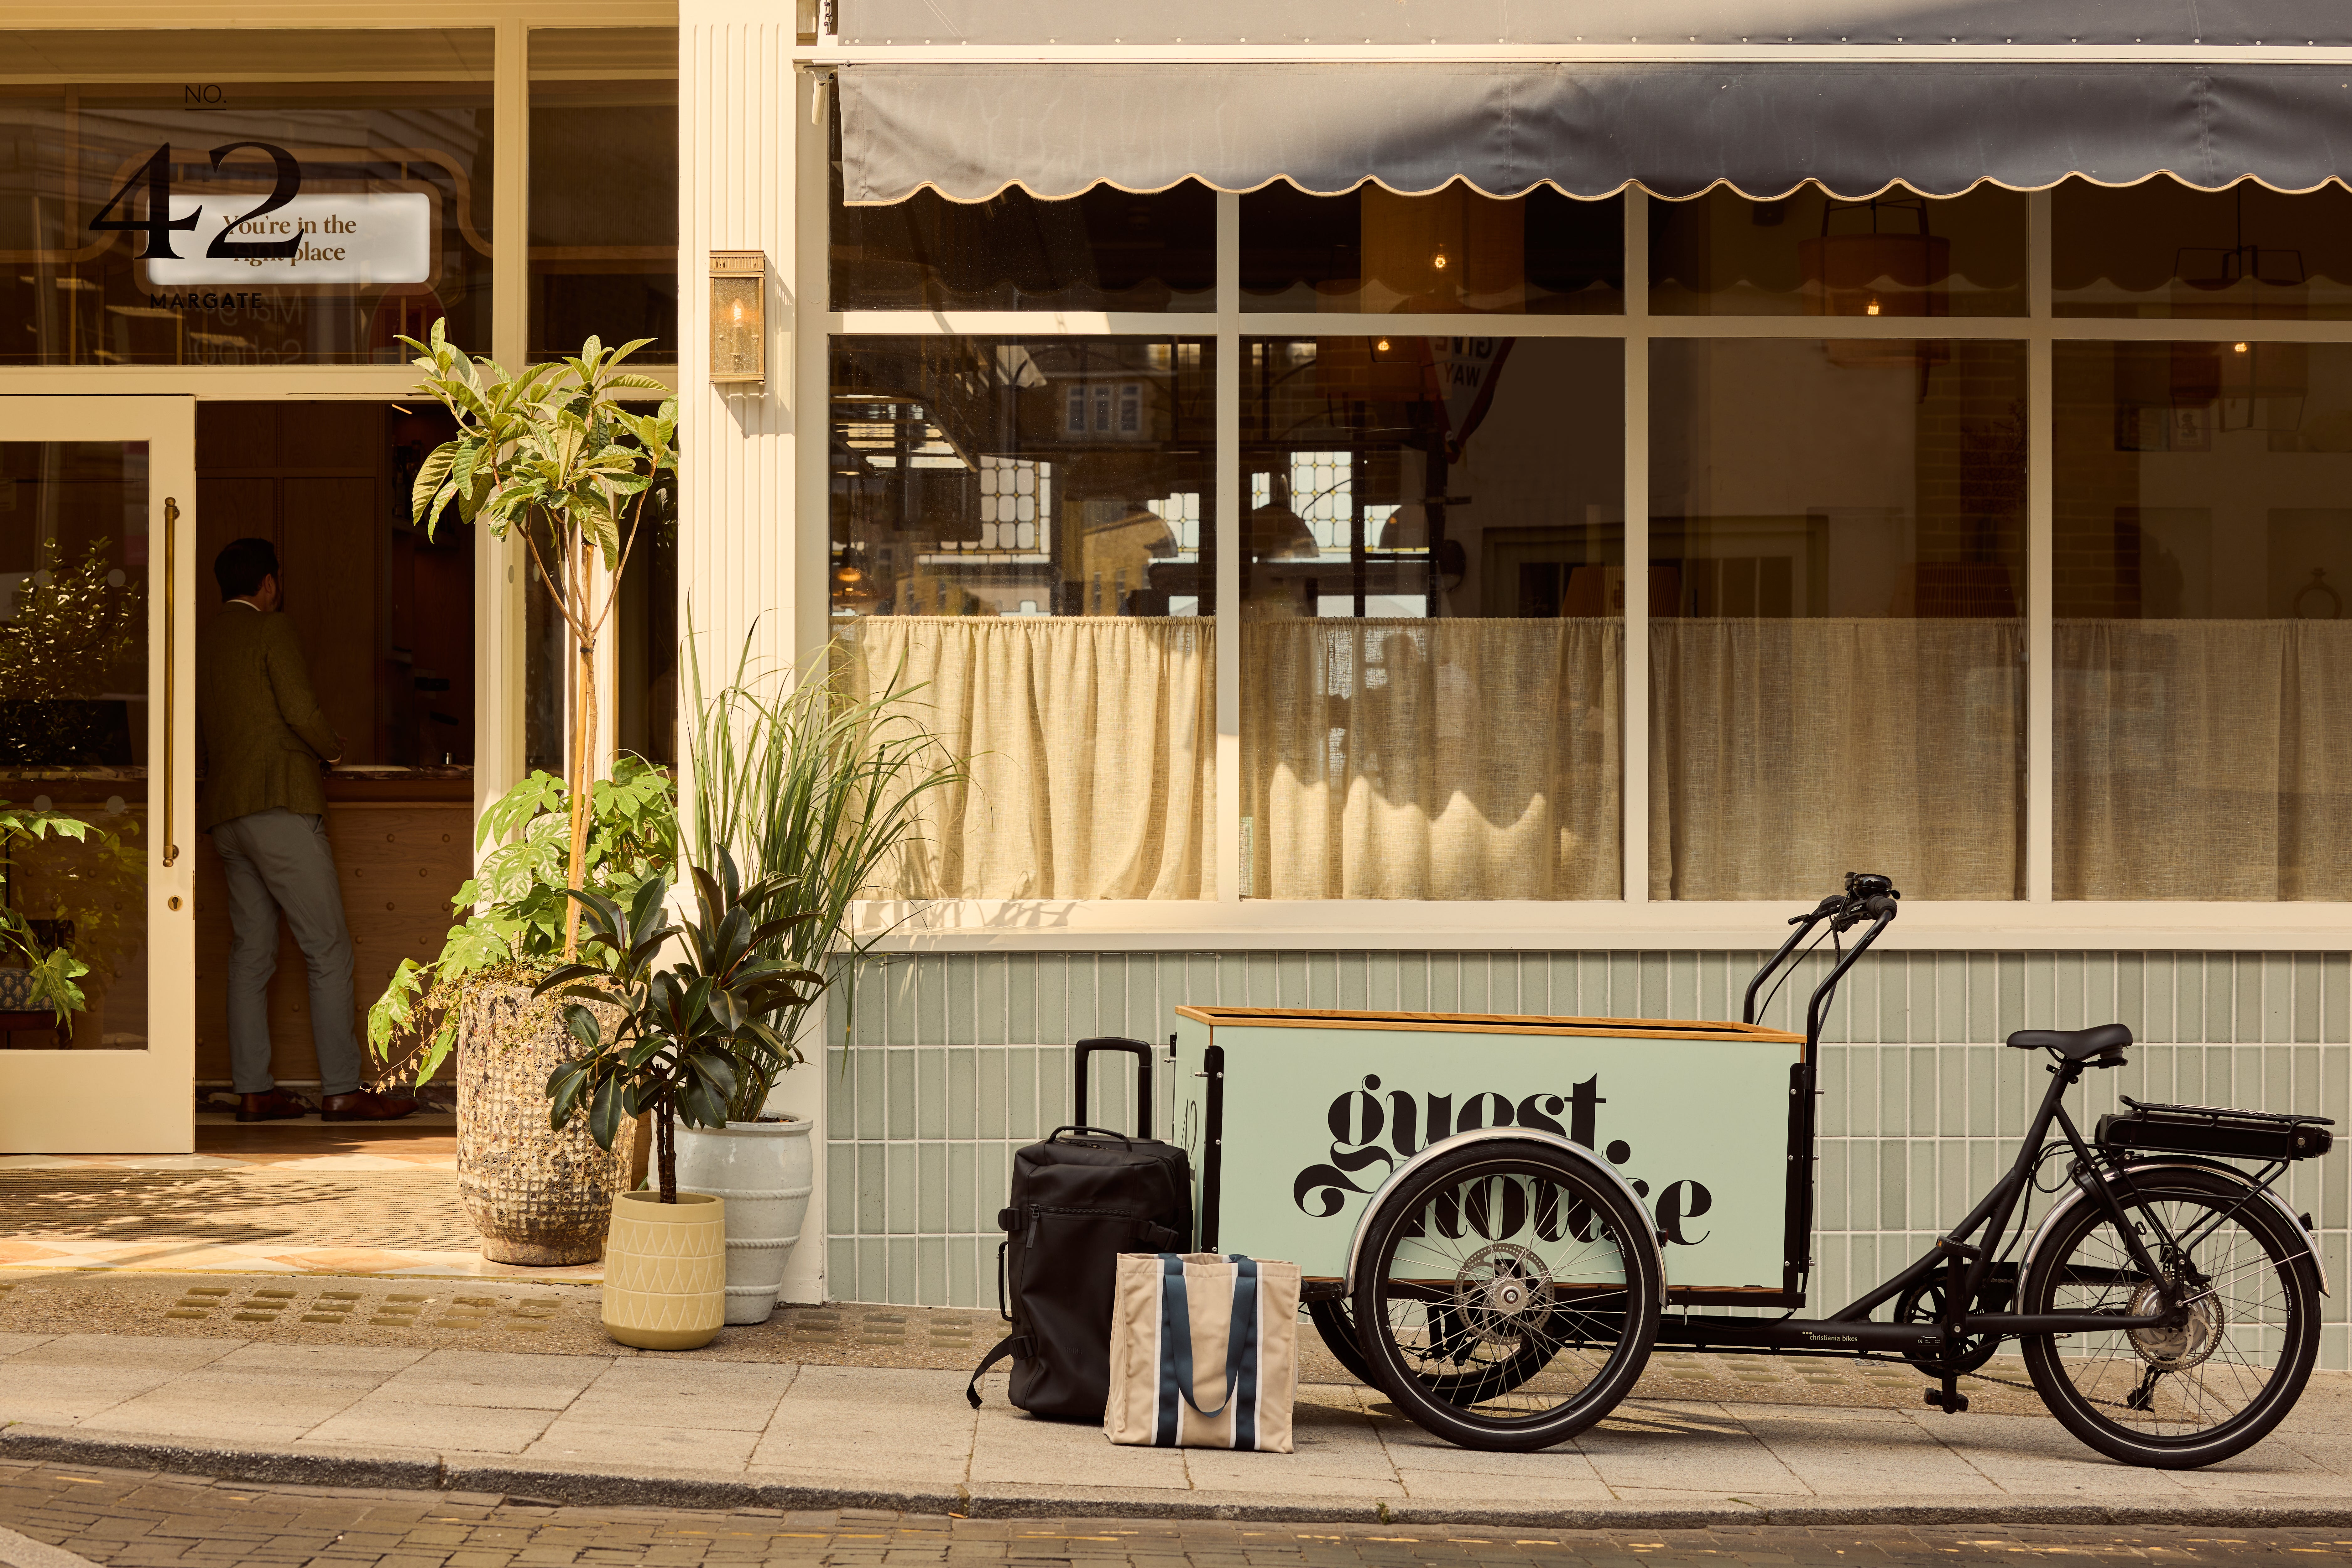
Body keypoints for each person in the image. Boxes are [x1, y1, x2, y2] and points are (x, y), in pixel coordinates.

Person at [198, 538, 416, 1124]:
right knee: (328, 948)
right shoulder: (274, 630)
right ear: (269, 584)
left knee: (251, 956)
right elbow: (299, 709)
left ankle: (253, 1091)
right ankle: (343, 1090)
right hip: (281, 803)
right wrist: (333, 750)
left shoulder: (207, 640)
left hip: (225, 813)